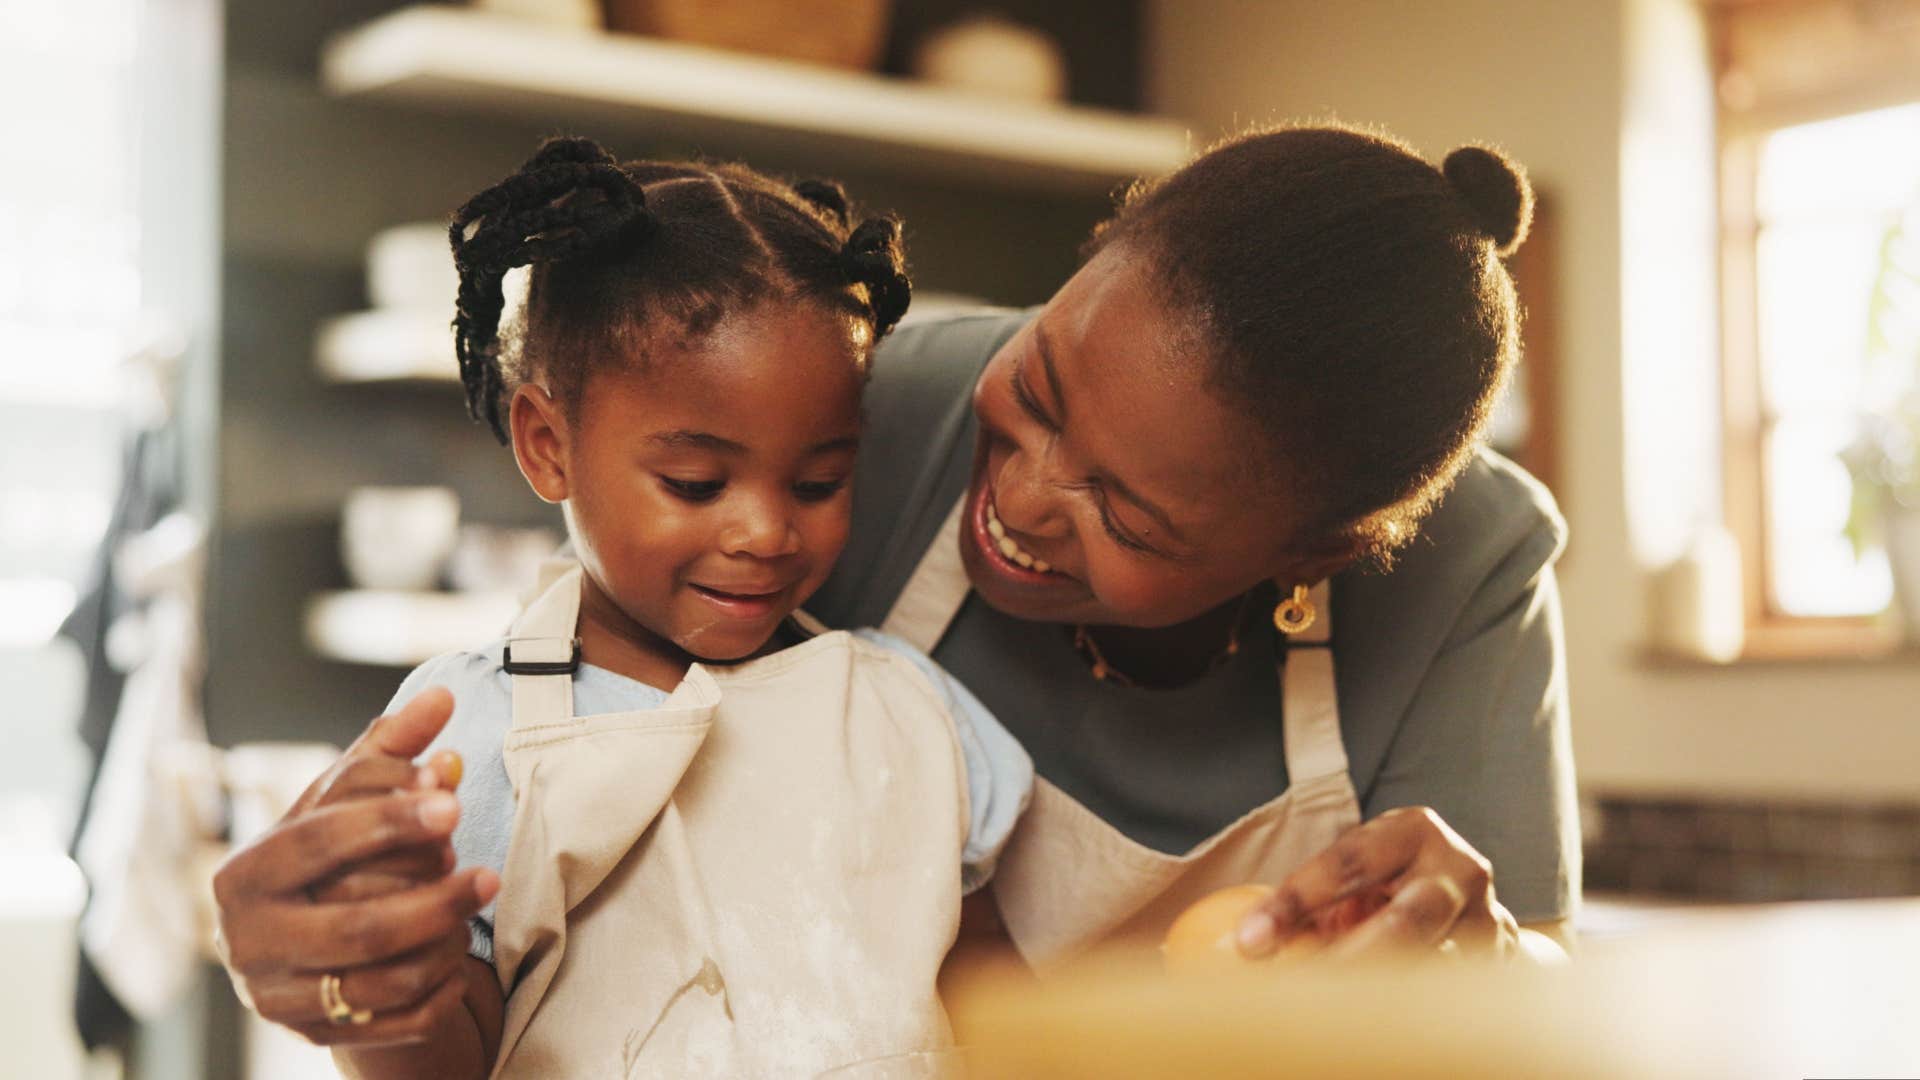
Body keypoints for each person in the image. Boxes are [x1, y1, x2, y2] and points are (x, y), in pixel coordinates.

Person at [216, 118, 1577, 1069]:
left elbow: (980, 1012)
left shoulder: (1463, 575)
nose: (1025, 499)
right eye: (1038, 387)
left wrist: (1485, 965)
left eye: (1128, 511)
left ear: (1313, 554)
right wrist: (366, 984)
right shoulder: (854, 418)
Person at [211, 137, 1032, 1078]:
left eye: (818, 482)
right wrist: (387, 994)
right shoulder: (473, 740)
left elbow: (1007, 1018)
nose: (766, 531)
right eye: (693, 482)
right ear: (546, 444)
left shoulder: (907, 714)